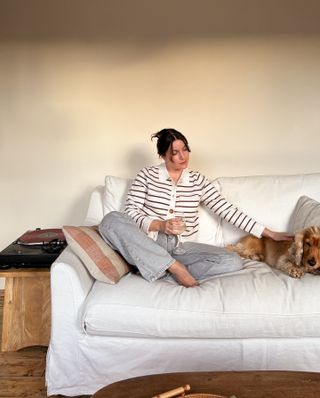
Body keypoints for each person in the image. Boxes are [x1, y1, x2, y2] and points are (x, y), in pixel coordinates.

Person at [99, 128, 292, 288]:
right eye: (175, 153)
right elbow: (130, 211)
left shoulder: (198, 181)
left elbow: (228, 210)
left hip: (181, 247)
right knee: (111, 220)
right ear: (163, 155)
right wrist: (160, 225)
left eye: (185, 149)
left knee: (233, 261)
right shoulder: (147, 175)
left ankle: (159, 268)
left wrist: (269, 234)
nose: (183, 156)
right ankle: (175, 268)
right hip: (150, 240)